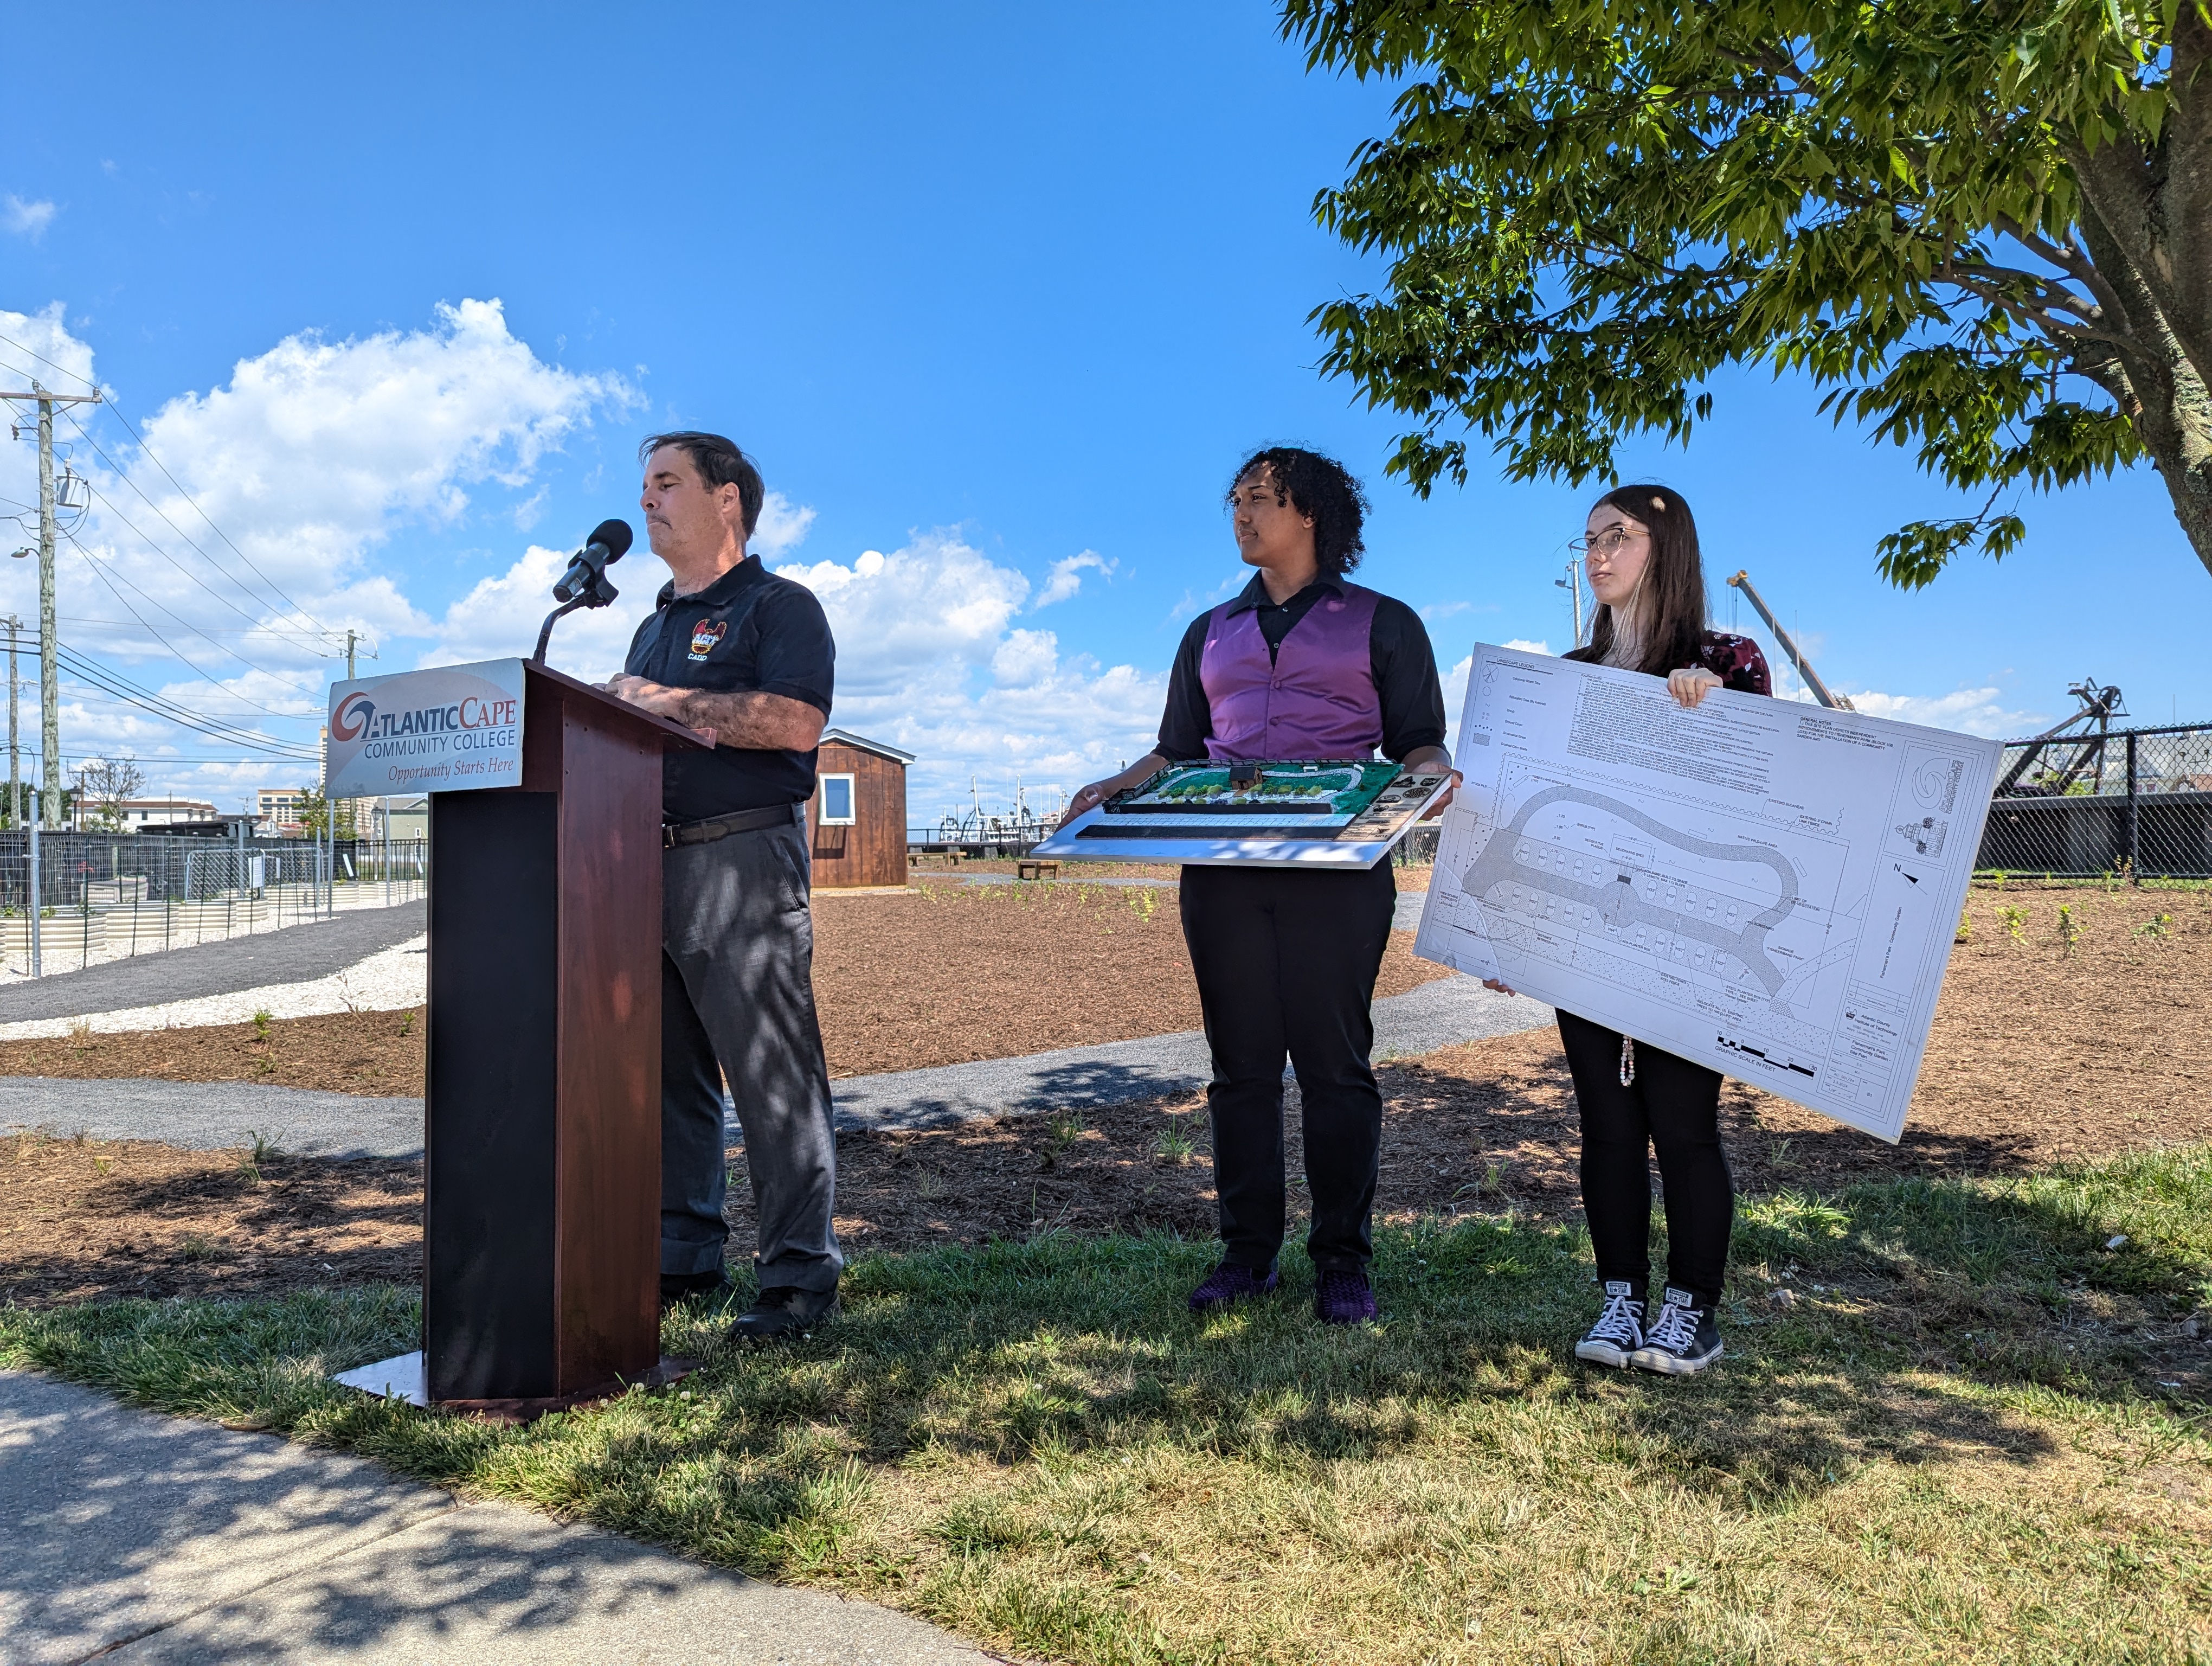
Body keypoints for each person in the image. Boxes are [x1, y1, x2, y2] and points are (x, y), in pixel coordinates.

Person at [1064, 446, 1452, 1324]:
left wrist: (1435, 777)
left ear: (1310, 513)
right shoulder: (1207, 631)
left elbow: (1420, 741)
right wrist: (1115, 785)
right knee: (1239, 1071)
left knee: (1335, 1068)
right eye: (1235, 501)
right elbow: (1176, 749)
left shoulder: (1385, 622)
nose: (1242, 515)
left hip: (1337, 874)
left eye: (1262, 500)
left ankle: (1343, 1261)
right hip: (1223, 874)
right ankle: (1246, 1255)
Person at [1484, 484, 1771, 1376]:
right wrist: (1504, 932)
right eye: (1591, 540)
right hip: (1590, 937)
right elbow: (1537, 809)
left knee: (1685, 1126)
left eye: (1620, 537)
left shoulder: (1730, 660)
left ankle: (1692, 1311)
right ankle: (1620, 1300)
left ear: (1667, 547)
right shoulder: (1568, 675)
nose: (1598, 555)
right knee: (1605, 1125)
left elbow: (1770, 797)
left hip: (1687, 940)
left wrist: (1717, 709)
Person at [601, 431, 843, 1342]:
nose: (648, 500)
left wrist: (669, 705)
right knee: (671, 1079)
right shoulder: (651, 624)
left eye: (667, 483)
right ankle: (684, 1258)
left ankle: (797, 1278)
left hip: (740, 862)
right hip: (637, 864)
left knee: (772, 1076)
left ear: (728, 498)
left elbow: (794, 720)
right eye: (645, 485)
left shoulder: (781, 608)